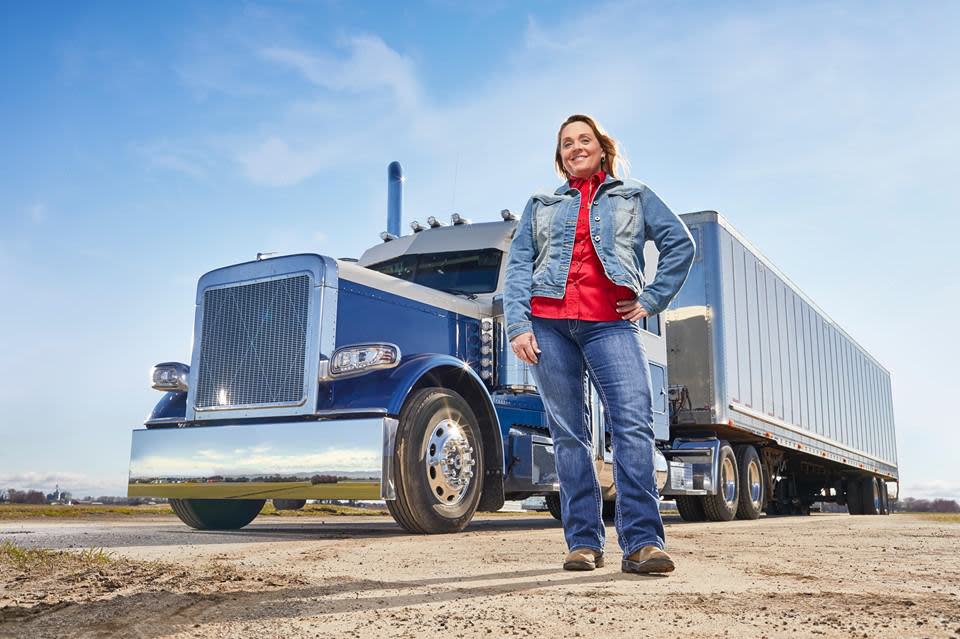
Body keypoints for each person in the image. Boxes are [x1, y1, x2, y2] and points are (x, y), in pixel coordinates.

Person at [504, 114, 695, 574]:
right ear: (560, 156)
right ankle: (584, 543)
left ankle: (642, 543)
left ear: (601, 147)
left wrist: (651, 298)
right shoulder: (540, 205)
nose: (575, 147)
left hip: (611, 322)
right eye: (566, 143)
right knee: (569, 436)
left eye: (583, 139)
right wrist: (517, 325)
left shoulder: (634, 196)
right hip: (549, 325)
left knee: (633, 426)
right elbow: (518, 267)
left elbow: (679, 245)